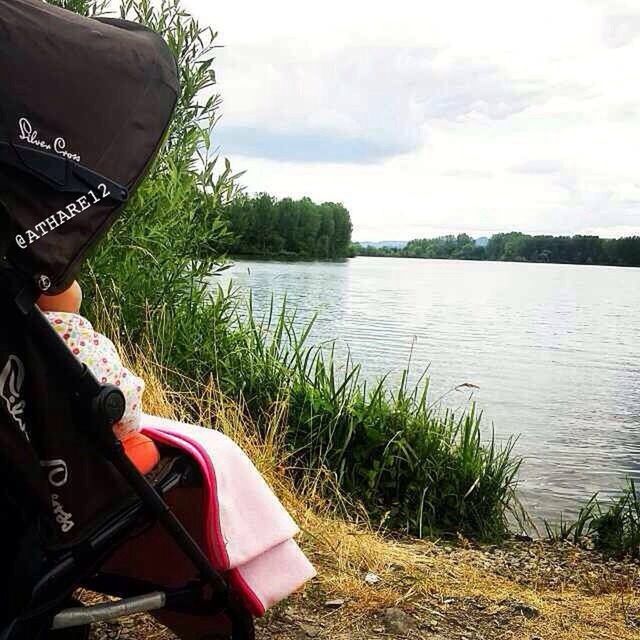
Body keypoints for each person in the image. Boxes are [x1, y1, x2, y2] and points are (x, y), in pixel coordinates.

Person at [37, 281, 159, 473]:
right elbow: (127, 409)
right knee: (146, 446)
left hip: (31, 458)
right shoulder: (85, 346)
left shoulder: (16, 343)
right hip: (80, 462)